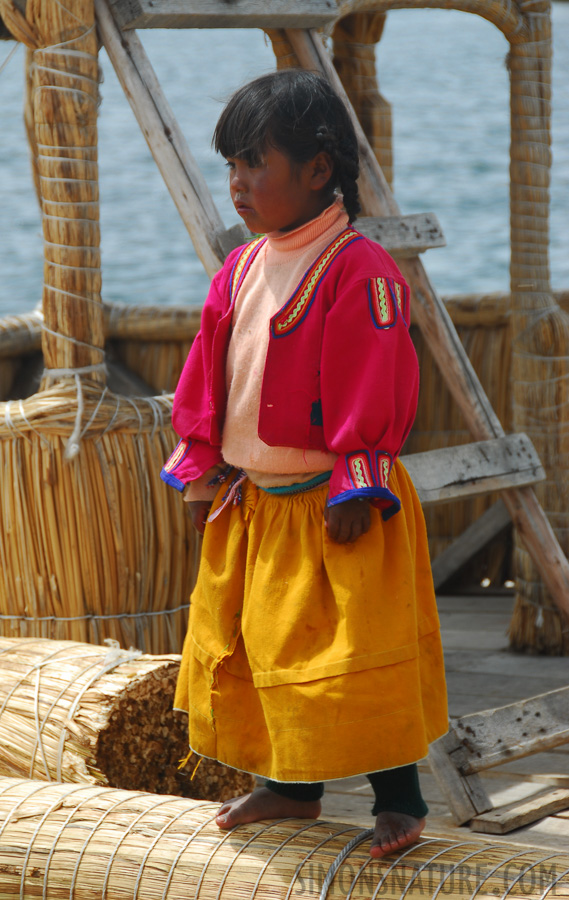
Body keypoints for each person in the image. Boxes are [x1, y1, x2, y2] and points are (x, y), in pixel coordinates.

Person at [161, 69, 448, 858]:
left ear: (318, 170)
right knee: (262, 646)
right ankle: (293, 789)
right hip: (260, 505)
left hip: (339, 501)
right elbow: (207, 378)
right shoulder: (243, 268)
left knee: (358, 651)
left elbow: (375, 381)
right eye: (231, 167)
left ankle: (401, 797)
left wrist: (358, 482)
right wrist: (203, 470)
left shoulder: (361, 273)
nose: (238, 185)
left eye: (254, 163)